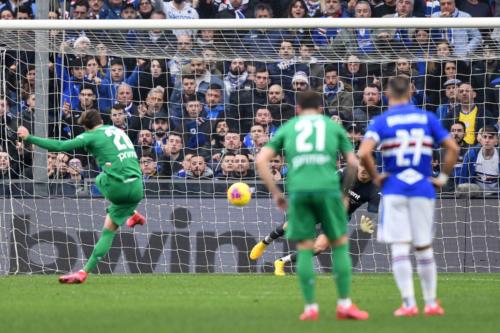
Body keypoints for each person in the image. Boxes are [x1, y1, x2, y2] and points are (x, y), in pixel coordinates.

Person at [255, 90, 368, 321]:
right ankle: (344, 305)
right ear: (320, 109)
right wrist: (345, 194)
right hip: (327, 192)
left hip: (299, 192)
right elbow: (353, 164)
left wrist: (276, 193)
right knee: (339, 246)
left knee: (306, 246)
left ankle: (310, 308)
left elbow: (260, 160)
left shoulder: (288, 127)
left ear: (297, 109)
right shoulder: (331, 126)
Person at [358, 75, 459, 316]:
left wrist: (376, 176)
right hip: (423, 188)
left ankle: (408, 304)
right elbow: (453, 148)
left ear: (387, 94)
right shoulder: (427, 118)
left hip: (394, 188)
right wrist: (442, 178)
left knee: (400, 247)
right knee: (424, 247)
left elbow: (363, 152)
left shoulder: (382, 120)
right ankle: (432, 303)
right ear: (411, 93)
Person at [17, 109, 146, 284]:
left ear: (86, 128)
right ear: (101, 119)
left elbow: (60, 147)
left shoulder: (90, 136)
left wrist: (29, 137)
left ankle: (83, 272)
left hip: (118, 188)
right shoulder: (118, 131)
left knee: (101, 189)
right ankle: (132, 212)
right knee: (105, 183)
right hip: (138, 186)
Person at [251, 164, 379, 276]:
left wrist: (368, 223)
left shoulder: (374, 189)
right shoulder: (346, 173)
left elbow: (373, 213)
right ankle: (264, 243)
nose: (364, 169)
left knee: (319, 247)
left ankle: (281, 262)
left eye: (367, 166)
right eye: (362, 165)